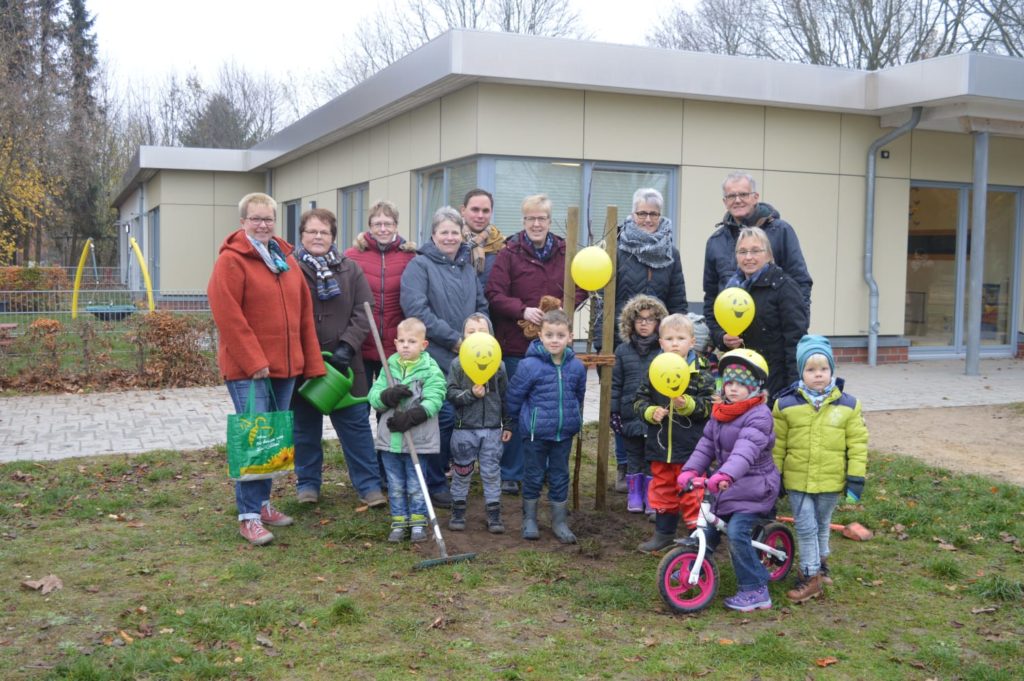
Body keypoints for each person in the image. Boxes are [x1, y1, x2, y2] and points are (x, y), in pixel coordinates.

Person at [207, 192, 326, 546]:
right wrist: (254, 360)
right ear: (243, 221)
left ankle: (261, 503)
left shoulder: (284, 259)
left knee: (273, 437)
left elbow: (303, 313)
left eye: (268, 219)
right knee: (254, 439)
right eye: (256, 219)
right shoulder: (231, 261)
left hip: (285, 368)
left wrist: (310, 361)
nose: (262, 225)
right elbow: (227, 315)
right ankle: (248, 517)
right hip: (251, 370)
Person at [486, 194, 586, 496]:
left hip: (555, 346)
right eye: (531, 218)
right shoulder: (509, 252)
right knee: (517, 409)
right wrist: (523, 310)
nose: (536, 223)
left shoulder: (566, 251)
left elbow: (582, 285)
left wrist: (564, 308)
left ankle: (545, 471)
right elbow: (494, 293)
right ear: (523, 220)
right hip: (517, 346)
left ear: (550, 220)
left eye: (542, 218)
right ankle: (511, 472)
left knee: (549, 408)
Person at [291, 208, 385, 509]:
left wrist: (347, 346)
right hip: (303, 365)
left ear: (333, 236)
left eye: (325, 232)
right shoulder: (290, 269)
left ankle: (369, 486)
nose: (318, 237)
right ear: (302, 235)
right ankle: (308, 484)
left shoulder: (350, 270)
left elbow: (364, 310)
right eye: (312, 231)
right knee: (305, 428)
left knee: (355, 427)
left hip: (345, 365)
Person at [676, 349, 782, 612]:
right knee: (707, 529)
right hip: (728, 486)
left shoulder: (759, 415)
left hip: (755, 487)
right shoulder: (721, 412)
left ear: (755, 387)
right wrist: (690, 471)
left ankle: (755, 589)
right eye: (729, 382)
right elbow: (705, 446)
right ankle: (696, 567)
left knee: (735, 532)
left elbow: (745, 451)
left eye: (741, 384)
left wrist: (726, 474)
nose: (733, 389)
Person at [400, 206, 488, 509]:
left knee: (463, 419)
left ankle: (457, 476)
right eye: (444, 232)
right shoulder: (420, 266)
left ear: (462, 234)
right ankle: (435, 482)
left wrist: (481, 335)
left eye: (455, 232)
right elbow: (417, 310)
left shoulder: (467, 267)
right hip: (435, 357)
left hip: (467, 358)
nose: (450, 237)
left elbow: (481, 305)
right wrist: (454, 340)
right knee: (443, 418)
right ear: (433, 235)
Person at [772, 335, 868, 603]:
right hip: (797, 479)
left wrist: (855, 477)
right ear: (800, 371)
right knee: (806, 527)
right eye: (811, 369)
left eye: (824, 369)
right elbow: (777, 445)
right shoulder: (785, 404)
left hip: (830, 480)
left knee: (822, 523)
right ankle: (810, 575)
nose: (818, 374)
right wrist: (775, 475)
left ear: (832, 370)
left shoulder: (848, 405)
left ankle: (822, 567)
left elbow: (857, 444)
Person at [632, 314, 716, 552]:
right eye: (669, 339)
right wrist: (650, 412)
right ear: (661, 343)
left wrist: (688, 404)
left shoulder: (701, 372)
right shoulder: (654, 370)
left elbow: (710, 405)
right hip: (660, 447)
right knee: (662, 489)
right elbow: (638, 400)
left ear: (692, 342)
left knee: (693, 491)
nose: (675, 343)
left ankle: (697, 536)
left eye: (681, 338)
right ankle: (664, 533)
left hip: (691, 448)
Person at [504, 309, 587, 544]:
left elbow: (578, 395)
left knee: (560, 475)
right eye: (549, 335)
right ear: (540, 335)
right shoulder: (529, 366)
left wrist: (572, 418)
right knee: (533, 474)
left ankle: (559, 521)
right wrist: (511, 422)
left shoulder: (576, 367)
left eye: (560, 335)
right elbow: (514, 396)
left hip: (563, 433)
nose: (554, 340)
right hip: (535, 433)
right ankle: (529, 519)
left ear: (570, 337)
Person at [367, 317, 447, 544]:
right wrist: (387, 396)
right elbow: (373, 397)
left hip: (417, 440)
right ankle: (399, 521)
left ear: (423, 345)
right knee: (395, 485)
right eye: (401, 341)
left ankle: (418, 522)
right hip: (391, 440)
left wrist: (413, 416)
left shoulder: (430, 369)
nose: (405, 346)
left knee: (415, 484)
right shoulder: (389, 367)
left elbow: (436, 398)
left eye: (412, 341)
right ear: (395, 343)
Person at [707, 226, 808, 402]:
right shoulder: (731, 289)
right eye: (742, 252)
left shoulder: (785, 287)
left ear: (768, 254)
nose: (748, 257)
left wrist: (794, 387)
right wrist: (723, 338)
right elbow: (714, 321)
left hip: (773, 381)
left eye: (755, 251)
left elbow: (796, 341)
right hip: (738, 380)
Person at [703, 172, 812, 324]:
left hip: (775, 331)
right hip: (732, 332)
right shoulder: (716, 242)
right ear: (725, 201)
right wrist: (719, 334)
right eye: (731, 196)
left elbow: (800, 280)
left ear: (755, 197)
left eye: (743, 194)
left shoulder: (781, 232)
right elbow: (711, 296)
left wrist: (799, 324)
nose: (737, 200)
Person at [445, 313, 512, 533]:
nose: (476, 335)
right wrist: (471, 394)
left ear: (491, 336)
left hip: (492, 430)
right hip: (464, 430)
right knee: (462, 470)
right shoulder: (457, 364)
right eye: (471, 332)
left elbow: (505, 397)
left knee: (491, 472)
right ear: (463, 337)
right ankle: (458, 510)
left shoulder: (499, 366)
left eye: (482, 331)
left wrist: (507, 424)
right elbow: (451, 394)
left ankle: (494, 514)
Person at [344, 200, 417, 382]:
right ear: (370, 226)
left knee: (392, 397)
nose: (383, 229)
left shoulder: (410, 257)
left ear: (396, 226)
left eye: (388, 224)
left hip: (397, 346)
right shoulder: (352, 256)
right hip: (362, 343)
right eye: (377, 224)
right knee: (362, 397)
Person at [610, 294, 668, 511]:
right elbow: (615, 384)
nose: (644, 323)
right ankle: (634, 495)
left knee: (652, 456)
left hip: (655, 412)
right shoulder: (622, 351)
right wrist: (614, 412)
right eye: (640, 319)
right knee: (633, 454)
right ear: (631, 322)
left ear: (658, 323)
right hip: (629, 412)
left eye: (650, 319)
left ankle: (651, 496)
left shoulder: (663, 352)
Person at [460, 188, 506, 288]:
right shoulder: (450, 242)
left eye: (485, 211)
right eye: (475, 210)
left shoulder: (502, 245)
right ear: (463, 210)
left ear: (491, 212)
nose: (480, 216)